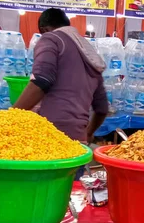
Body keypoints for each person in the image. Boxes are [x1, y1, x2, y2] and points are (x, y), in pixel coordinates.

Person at [13, 8, 108, 145]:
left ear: (44, 29)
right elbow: (102, 108)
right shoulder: (90, 53)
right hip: (77, 140)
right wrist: (88, 132)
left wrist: (11, 115)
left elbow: (42, 80)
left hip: (48, 137)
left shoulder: (51, 39)